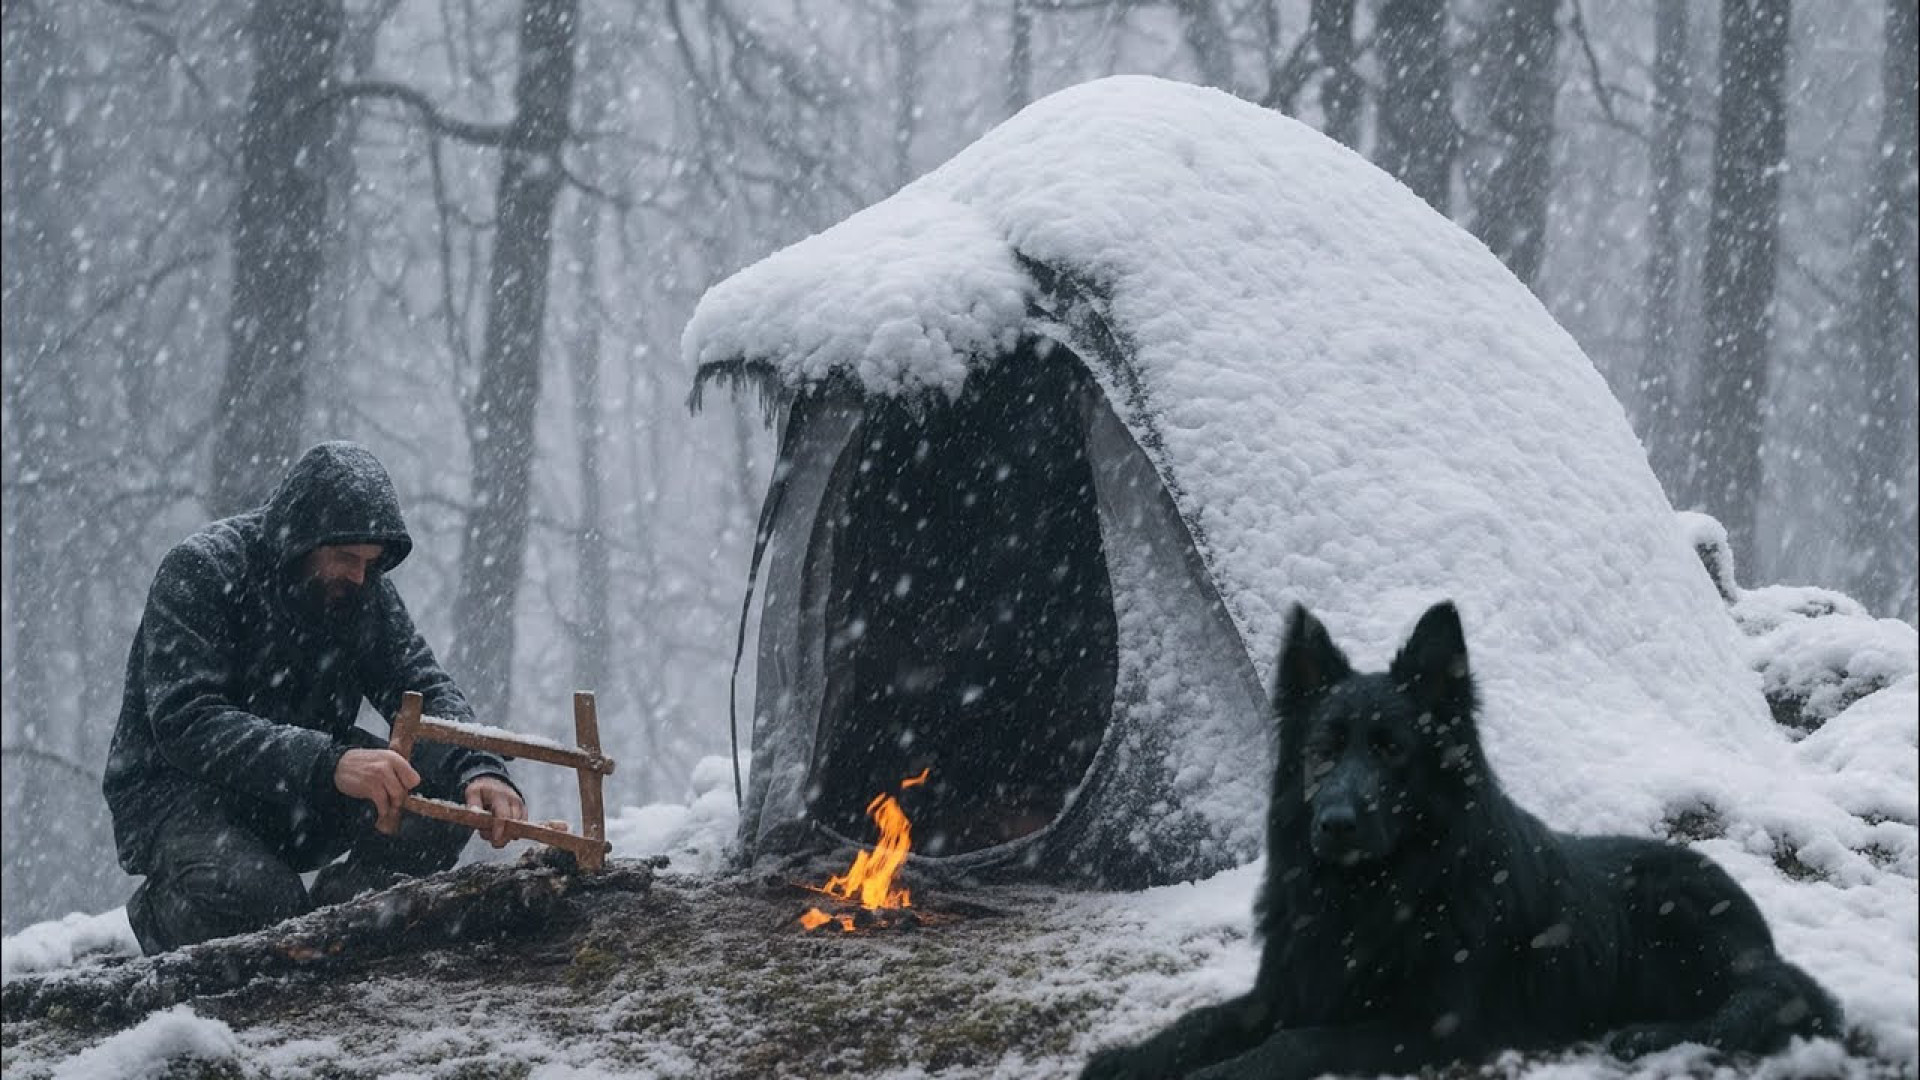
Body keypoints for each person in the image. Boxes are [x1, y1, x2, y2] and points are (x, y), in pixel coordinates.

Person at [103, 441, 528, 954]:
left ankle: (343, 925)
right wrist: (329, 763)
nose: (359, 576)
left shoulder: (362, 587)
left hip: (301, 788)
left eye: (370, 563)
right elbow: (188, 723)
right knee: (263, 906)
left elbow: (419, 683)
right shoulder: (201, 569)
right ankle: (169, 912)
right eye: (346, 558)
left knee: (439, 806)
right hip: (181, 793)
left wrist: (478, 767)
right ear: (302, 539)